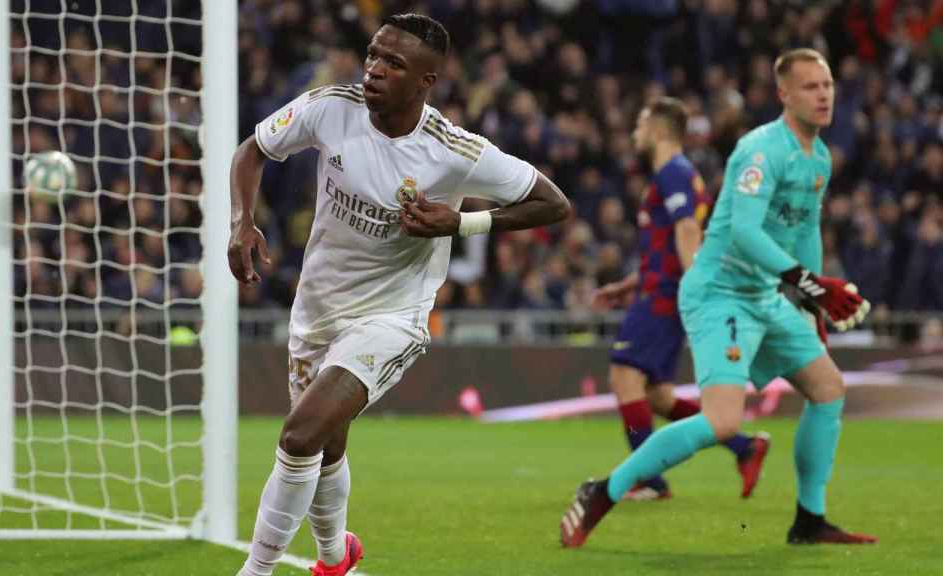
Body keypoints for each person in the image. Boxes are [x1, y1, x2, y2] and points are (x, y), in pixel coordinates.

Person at [228, 14, 571, 576]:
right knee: (326, 445)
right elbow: (252, 150)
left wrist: (461, 225)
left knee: (300, 435)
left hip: (392, 318)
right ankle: (336, 559)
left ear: (426, 81)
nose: (374, 70)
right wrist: (242, 223)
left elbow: (554, 202)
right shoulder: (330, 107)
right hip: (317, 311)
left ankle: (256, 570)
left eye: (394, 63)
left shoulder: (453, 149)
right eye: (373, 55)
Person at [559, 48, 876, 548]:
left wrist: (811, 301)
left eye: (828, 85)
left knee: (828, 388)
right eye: (811, 86)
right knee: (723, 419)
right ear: (784, 95)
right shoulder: (759, 150)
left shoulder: (818, 158)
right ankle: (602, 491)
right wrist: (812, 284)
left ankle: (809, 521)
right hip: (719, 294)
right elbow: (746, 233)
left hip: (766, 294)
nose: (823, 95)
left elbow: (806, 228)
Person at [592, 98, 770, 502]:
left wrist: (694, 288)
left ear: (656, 129)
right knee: (657, 395)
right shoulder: (674, 176)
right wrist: (629, 284)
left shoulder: (673, 173)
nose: (635, 133)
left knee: (624, 376)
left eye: (639, 124)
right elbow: (670, 245)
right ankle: (744, 447)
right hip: (657, 288)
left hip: (664, 296)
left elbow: (689, 231)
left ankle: (647, 479)